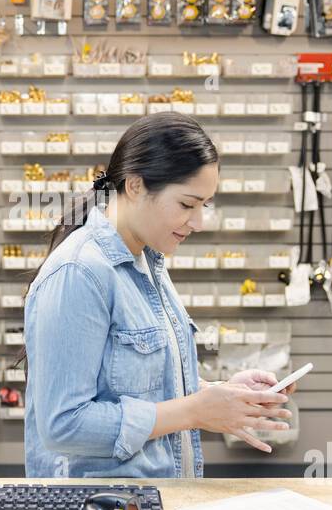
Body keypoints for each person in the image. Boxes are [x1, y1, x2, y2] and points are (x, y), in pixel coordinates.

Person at [22, 113, 293, 479]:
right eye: (186, 205)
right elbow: (64, 425)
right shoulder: (80, 273)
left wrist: (219, 395)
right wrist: (195, 410)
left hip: (150, 506)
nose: (198, 223)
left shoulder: (147, 261)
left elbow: (132, 383)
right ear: (135, 186)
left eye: (205, 206)